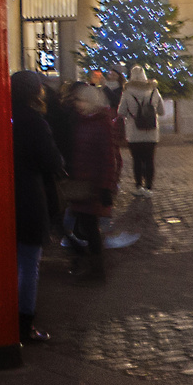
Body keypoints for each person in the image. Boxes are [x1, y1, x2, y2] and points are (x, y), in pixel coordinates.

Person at [11, 71, 64, 343]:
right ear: (35, 91)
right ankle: (24, 324)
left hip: (3, 195)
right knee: (30, 263)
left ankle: (4, 319)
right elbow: (52, 161)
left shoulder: (1, 117)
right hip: (30, 197)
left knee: (9, 262)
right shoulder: (35, 122)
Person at [62, 81, 121, 283]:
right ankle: (89, 263)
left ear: (90, 102)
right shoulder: (81, 121)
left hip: (93, 186)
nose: (77, 104)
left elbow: (108, 159)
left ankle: (96, 270)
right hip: (80, 183)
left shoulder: (101, 124)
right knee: (82, 226)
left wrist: (106, 187)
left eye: (80, 100)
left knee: (87, 226)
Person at [118, 66, 162, 195]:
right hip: (151, 132)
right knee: (149, 160)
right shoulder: (154, 91)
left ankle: (139, 186)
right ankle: (149, 187)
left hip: (134, 133)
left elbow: (121, 112)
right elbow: (161, 111)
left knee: (136, 160)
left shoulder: (127, 92)